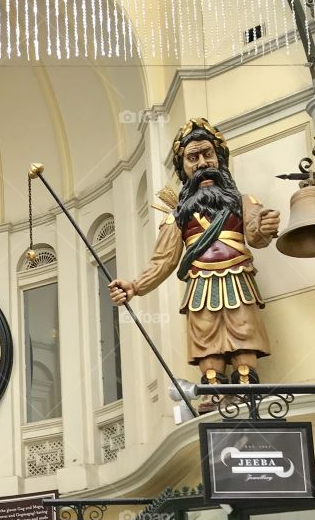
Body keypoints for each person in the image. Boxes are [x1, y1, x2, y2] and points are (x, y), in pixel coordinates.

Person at [109, 117, 279, 398]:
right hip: (200, 285)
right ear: (183, 168)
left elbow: (256, 235)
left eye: (207, 154)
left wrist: (265, 226)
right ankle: (213, 390)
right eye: (193, 158)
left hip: (238, 279)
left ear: (219, 158)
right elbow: (163, 261)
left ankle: (247, 385)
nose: (202, 164)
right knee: (206, 338)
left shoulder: (243, 201)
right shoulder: (177, 215)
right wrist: (135, 286)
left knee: (243, 329)